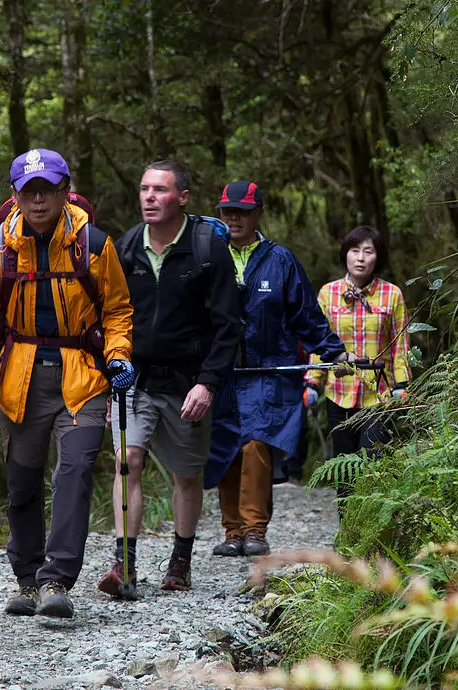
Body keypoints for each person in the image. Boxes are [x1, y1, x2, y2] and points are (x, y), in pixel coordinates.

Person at [0, 148, 134, 618]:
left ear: (64, 191)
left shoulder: (93, 244)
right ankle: (28, 578)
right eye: (28, 192)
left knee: (73, 472)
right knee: (22, 483)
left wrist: (118, 357)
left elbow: (116, 310)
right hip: (21, 376)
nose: (37, 201)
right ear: (15, 195)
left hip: (84, 375)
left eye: (47, 191)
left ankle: (57, 580)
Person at [98, 160, 241, 594]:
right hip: (135, 379)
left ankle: (180, 561)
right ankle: (125, 564)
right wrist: (109, 382)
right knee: (128, 462)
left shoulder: (206, 248)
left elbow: (228, 325)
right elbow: (111, 319)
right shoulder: (125, 248)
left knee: (185, 476)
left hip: (188, 383)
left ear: (182, 197)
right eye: (144, 189)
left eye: (159, 190)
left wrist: (208, 382)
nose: (149, 197)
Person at [204, 181, 354, 557]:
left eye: (241, 211)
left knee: (255, 443)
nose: (233, 217)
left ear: (258, 213)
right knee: (226, 447)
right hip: (220, 372)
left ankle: (255, 529)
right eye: (227, 211)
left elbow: (305, 314)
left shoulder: (280, 259)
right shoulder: (207, 255)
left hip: (267, 371)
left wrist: (332, 351)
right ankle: (232, 531)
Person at [304, 226, 410, 512]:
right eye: (354, 250)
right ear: (345, 255)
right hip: (339, 393)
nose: (360, 258)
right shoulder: (328, 294)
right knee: (343, 468)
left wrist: (402, 385)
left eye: (368, 251)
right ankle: (346, 534)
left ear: (378, 257)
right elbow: (318, 342)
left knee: (372, 463)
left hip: (379, 394)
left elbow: (400, 346)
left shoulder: (392, 295)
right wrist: (313, 382)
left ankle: (370, 535)